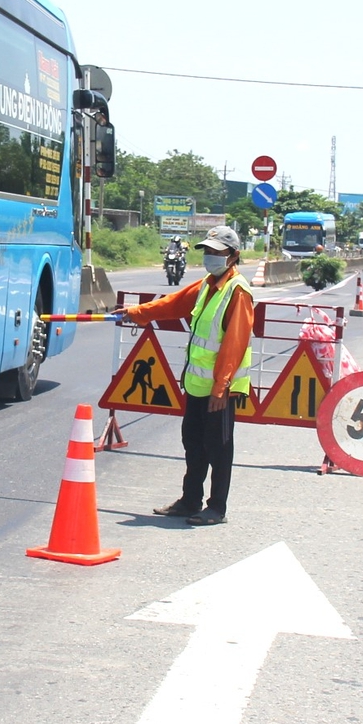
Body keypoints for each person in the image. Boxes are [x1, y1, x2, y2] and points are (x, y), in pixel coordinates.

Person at [112, 224, 253, 526]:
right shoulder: (207, 285)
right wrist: (137, 313)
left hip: (220, 390)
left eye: (217, 252)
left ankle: (216, 508)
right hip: (197, 384)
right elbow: (173, 304)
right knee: (193, 442)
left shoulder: (237, 291)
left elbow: (235, 342)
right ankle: (190, 500)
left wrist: (221, 387)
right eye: (207, 251)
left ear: (233, 255)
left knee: (219, 447)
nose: (210, 257)